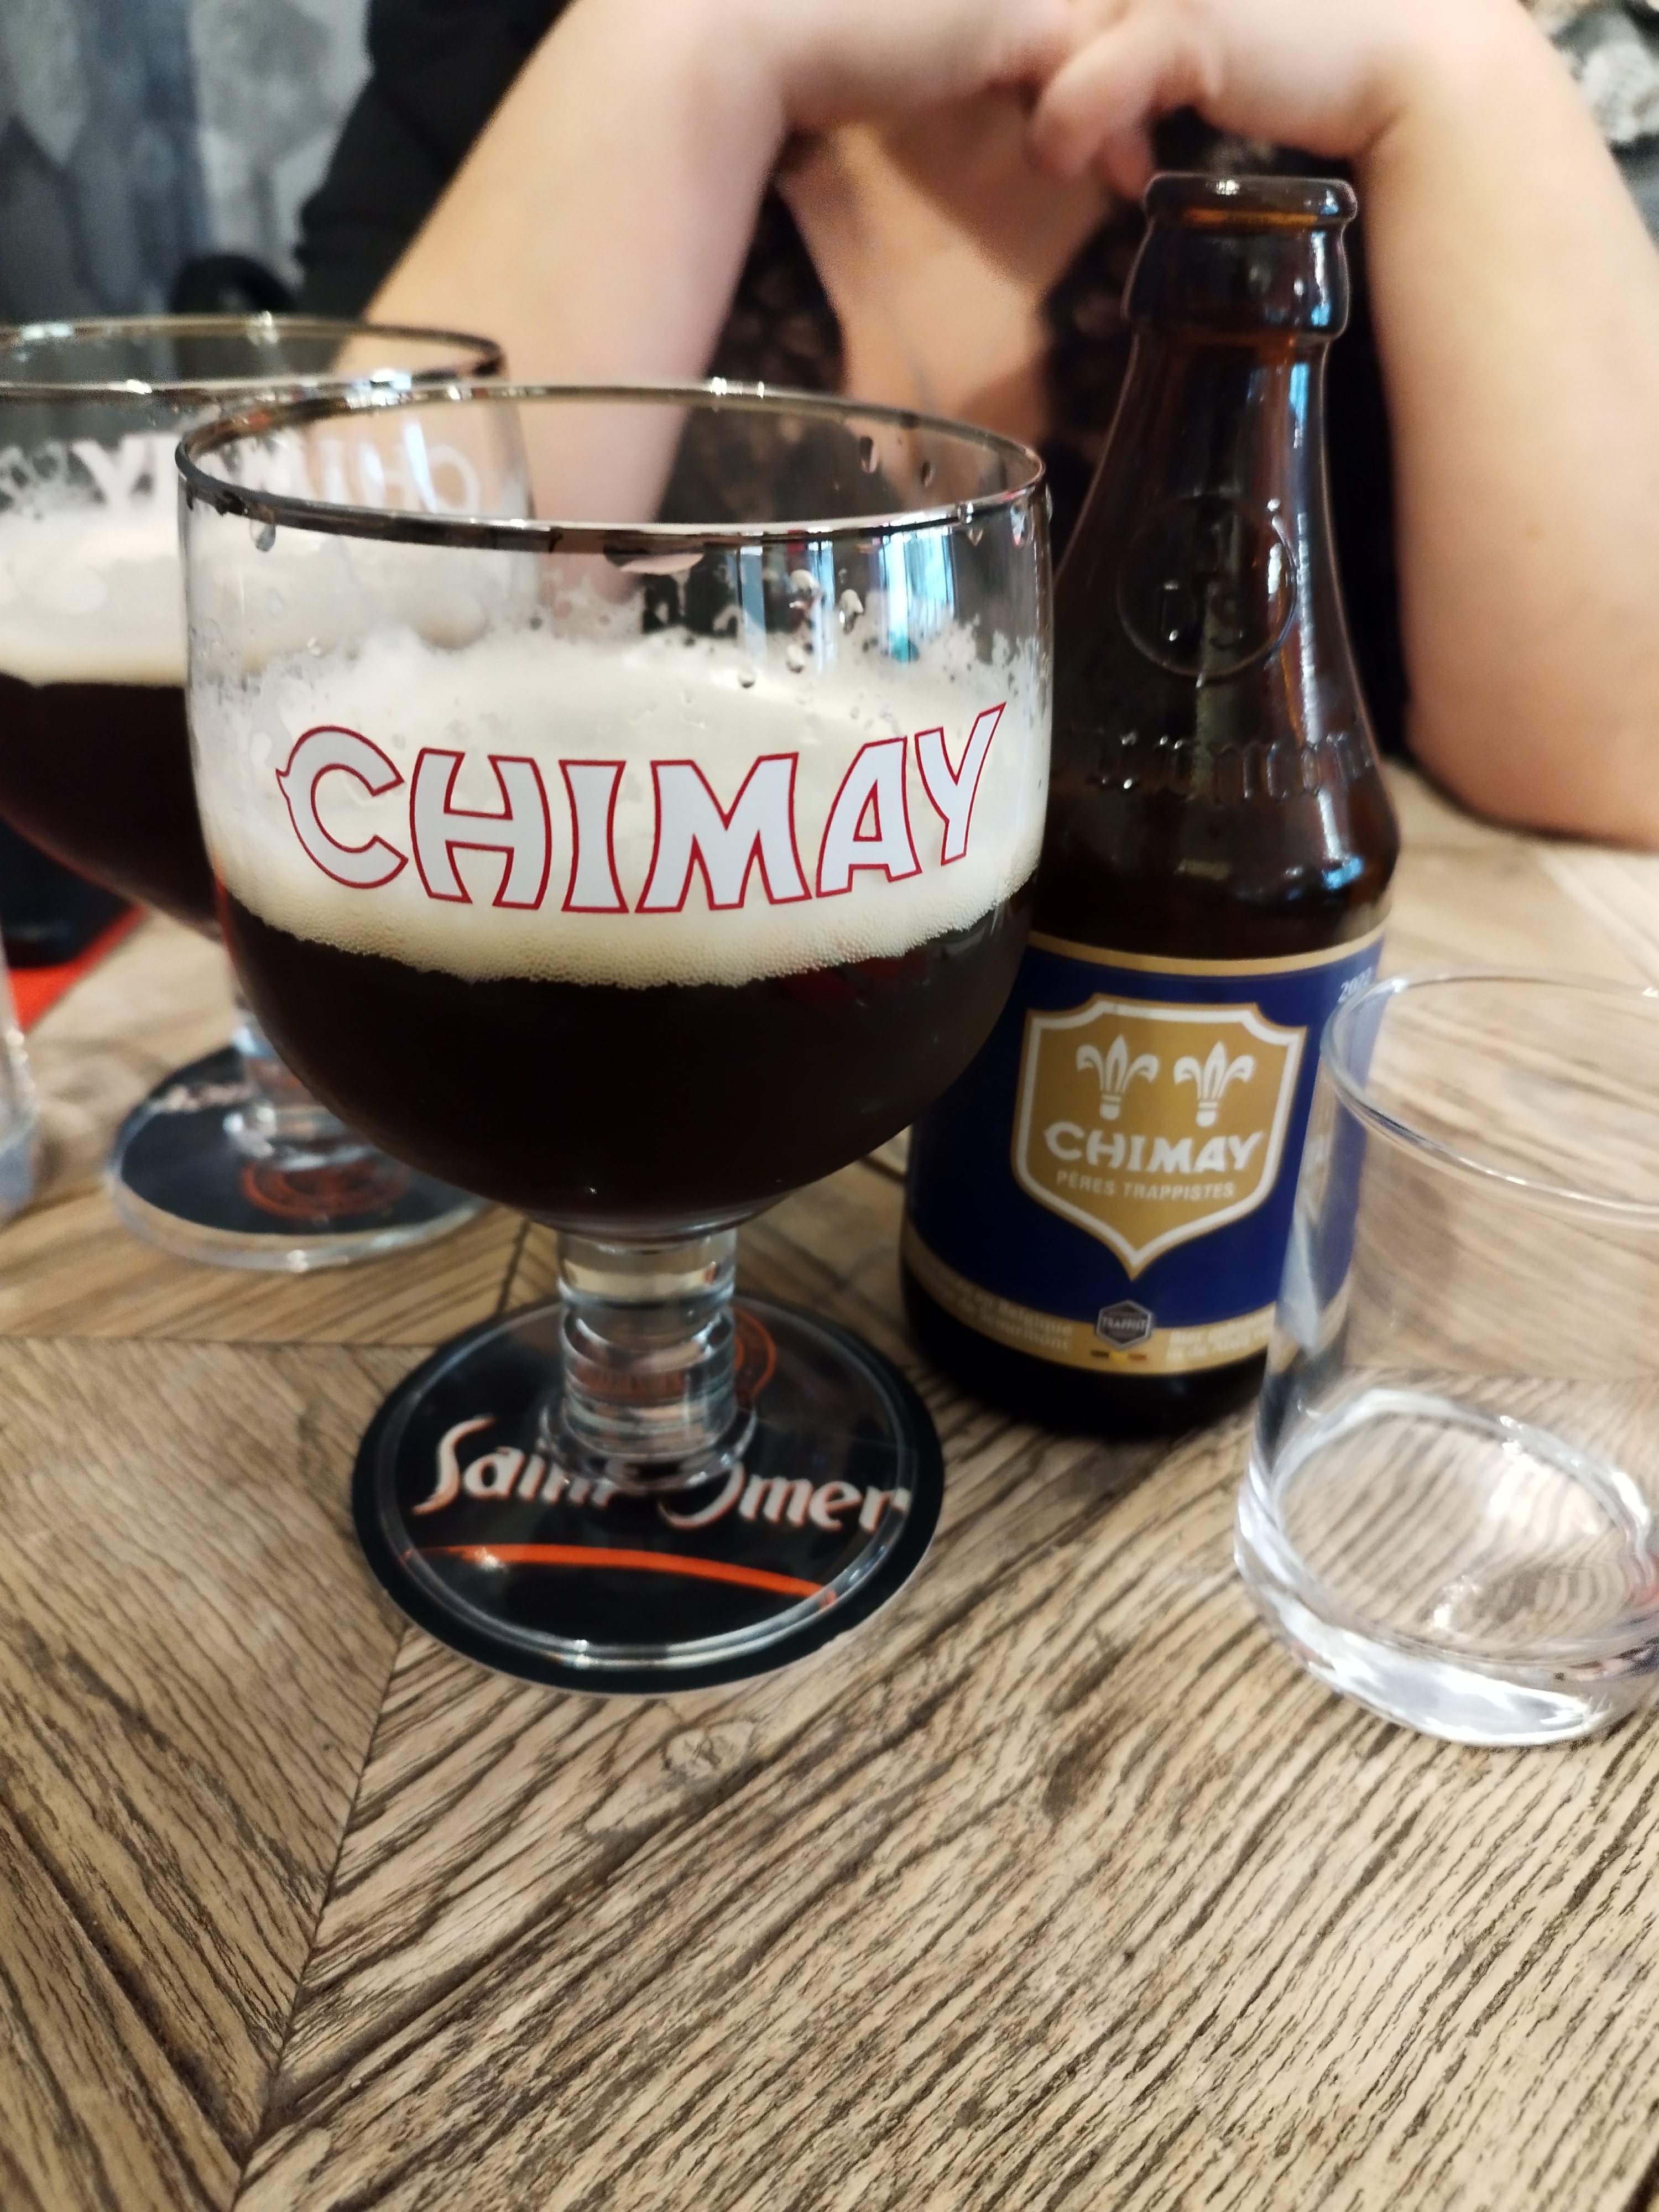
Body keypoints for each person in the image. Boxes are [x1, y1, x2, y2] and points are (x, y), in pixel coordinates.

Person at [297, 0, 1659, 846]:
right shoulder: (506, 42)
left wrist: (1454, 58)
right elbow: (330, 688)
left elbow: (1611, 766)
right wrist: (700, 40)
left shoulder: (1424, 78)